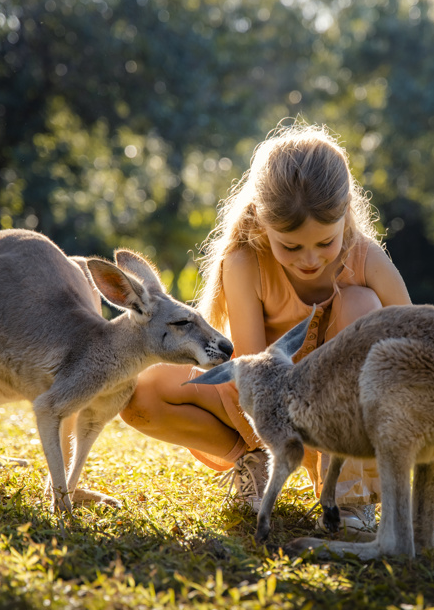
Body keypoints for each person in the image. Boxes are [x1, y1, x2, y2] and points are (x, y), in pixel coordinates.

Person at [120, 121, 411, 532]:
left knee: (362, 303)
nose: (310, 259)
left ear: (346, 213)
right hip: (269, 401)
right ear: (261, 222)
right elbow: (254, 366)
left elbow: (415, 333)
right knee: (141, 394)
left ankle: (349, 497)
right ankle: (248, 458)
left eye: (324, 243)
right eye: (291, 247)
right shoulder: (245, 261)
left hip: (344, 414)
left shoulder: (364, 257)